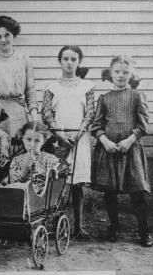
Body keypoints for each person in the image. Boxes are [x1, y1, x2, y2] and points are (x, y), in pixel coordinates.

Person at [90, 56, 153, 247]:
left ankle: (144, 232)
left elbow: (144, 124)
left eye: (125, 72)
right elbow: (96, 125)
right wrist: (104, 140)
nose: (121, 75)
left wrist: (130, 139)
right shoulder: (104, 98)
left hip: (130, 150)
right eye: (117, 71)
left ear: (131, 74)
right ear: (111, 73)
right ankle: (114, 227)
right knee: (110, 192)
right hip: (109, 150)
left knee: (137, 192)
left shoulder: (136, 96)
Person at [42, 45, 95, 239]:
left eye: (74, 59)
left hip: (79, 140)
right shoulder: (51, 87)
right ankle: (56, 225)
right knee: (57, 181)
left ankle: (78, 226)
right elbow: (46, 114)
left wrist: (79, 133)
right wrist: (60, 134)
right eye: (66, 59)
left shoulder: (87, 86)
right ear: (60, 61)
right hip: (58, 140)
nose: (70, 62)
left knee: (77, 184)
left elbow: (90, 113)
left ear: (79, 61)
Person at [0, 15, 38, 139]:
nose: (3, 39)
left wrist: (35, 120)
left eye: (7, 35)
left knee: (15, 151)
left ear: (13, 35)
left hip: (17, 115)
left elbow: (30, 92)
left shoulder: (23, 60)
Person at [8, 121, 59, 196]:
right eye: (28, 140)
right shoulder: (16, 160)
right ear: (22, 139)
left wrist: (34, 165)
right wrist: (26, 168)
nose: (32, 144)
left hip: (39, 202)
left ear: (43, 141)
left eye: (37, 141)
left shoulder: (51, 159)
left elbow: (48, 188)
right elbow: (13, 184)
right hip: (18, 198)